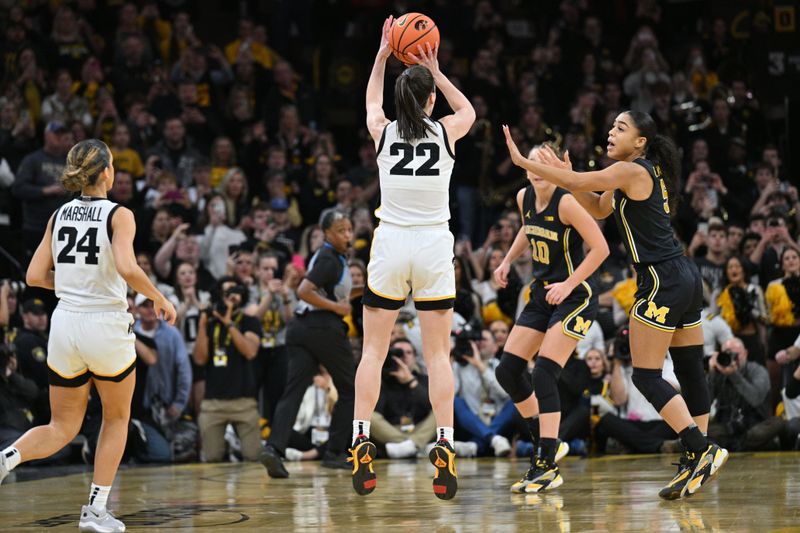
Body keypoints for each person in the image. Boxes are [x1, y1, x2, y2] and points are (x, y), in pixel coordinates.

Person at [502, 110, 728, 500]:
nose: (611, 131)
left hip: (660, 278)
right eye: (612, 126)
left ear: (640, 141)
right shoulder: (633, 172)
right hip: (682, 274)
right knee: (691, 370)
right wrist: (569, 179)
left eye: (621, 128)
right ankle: (697, 456)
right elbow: (600, 207)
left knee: (645, 375)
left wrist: (527, 163)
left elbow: (576, 183)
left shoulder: (632, 170)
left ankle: (699, 449)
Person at [0, 139, 176, 532]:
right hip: (105, 324)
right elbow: (129, 269)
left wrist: (75, 281)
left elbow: (32, 276)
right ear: (106, 171)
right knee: (116, 418)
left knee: (62, 427)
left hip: (64, 324)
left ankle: (6, 458)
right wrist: (159, 297)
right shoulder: (120, 214)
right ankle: (95, 512)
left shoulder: (59, 213)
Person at [350, 17, 476, 501]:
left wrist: (383, 54)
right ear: (429, 100)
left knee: (374, 353)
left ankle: (361, 436)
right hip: (432, 246)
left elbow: (372, 102)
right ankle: (444, 441)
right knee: (437, 355)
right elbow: (467, 108)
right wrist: (436, 69)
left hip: (390, 243)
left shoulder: (382, 133)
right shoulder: (445, 133)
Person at [492, 143, 608, 492]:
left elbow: (601, 248)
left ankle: (546, 463)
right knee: (508, 370)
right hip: (543, 293)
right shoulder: (523, 197)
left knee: (543, 372)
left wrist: (569, 283)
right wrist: (508, 259)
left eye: (543, 161)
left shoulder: (567, 201)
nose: (534, 166)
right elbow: (529, 229)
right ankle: (545, 440)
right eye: (530, 160)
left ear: (556, 166)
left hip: (575, 295)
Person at [260, 210, 356, 478]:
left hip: (300, 329)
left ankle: (274, 449)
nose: (347, 235)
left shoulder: (330, 257)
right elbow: (304, 290)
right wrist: (337, 308)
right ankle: (336, 453)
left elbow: (333, 292)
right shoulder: (328, 257)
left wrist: (358, 294)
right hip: (322, 328)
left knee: (294, 391)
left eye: (349, 229)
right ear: (326, 233)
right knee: (351, 389)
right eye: (340, 230)